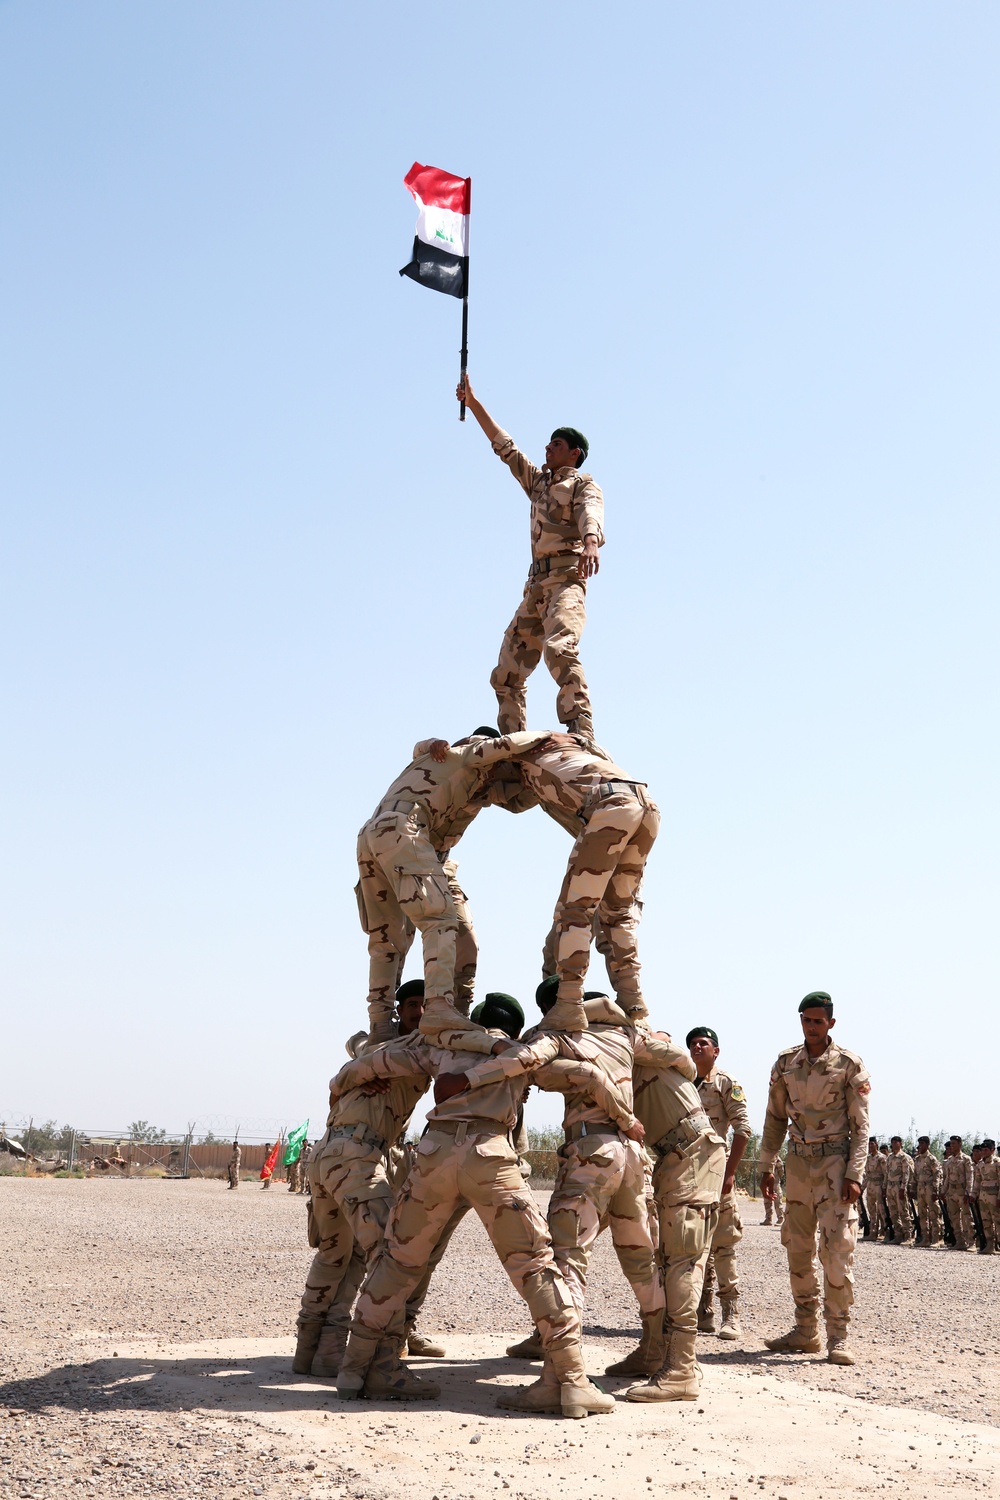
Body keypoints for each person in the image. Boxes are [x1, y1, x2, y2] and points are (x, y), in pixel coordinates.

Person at [333, 1020, 641, 1416]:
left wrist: (340, 1088)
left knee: (397, 1260)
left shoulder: (443, 1047)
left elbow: (368, 1064)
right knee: (535, 1266)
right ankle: (570, 1379)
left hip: (435, 1152)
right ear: (513, 1026)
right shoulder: (517, 1054)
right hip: (489, 1154)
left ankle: (354, 1370)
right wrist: (626, 1119)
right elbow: (588, 1074)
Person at [294, 982, 491, 1380]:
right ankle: (380, 1360)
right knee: (389, 1258)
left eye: (425, 1004)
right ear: (400, 1010)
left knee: (339, 1255)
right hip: (355, 1157)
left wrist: (353, 1076)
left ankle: (316, 1353)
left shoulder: (380, 1048)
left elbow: (349, 1074)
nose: (420, 1011)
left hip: (332, 1155)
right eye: (412, 1004)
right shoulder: (408, 1049)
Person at [504, 982, 664, 1375]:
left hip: (590, 1152)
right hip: (632, 1155)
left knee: (567, 1256)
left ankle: (563, 1369)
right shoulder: (624, 1032)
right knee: (642, 1256)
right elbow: (679, 1059)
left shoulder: (557, 1035)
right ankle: (656, 1348)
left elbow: (535, 1069)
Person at [357, 728, 550, 1043]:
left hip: (385, 839)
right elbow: (501, 746)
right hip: (403, 831)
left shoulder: (473, 783)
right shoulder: (464, 755)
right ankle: (438, 1008)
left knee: (396, 940)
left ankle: (386, 1026)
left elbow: (517, 799)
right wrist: (551, 738)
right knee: (439, 919)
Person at [457, 375, 604, 745]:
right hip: (536, 588)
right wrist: (473, 403)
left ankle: (580, 728)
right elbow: (505, 447)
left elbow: (590, 511)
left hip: (566, 579)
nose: (548, 447)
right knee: (506, 671)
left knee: (560, 648)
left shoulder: (582, 484)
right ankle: (512, 742)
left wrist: (590, 542)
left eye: (557, 444)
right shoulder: (539, 483)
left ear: (574, 453)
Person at [514, 732, 660, 1030]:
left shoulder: (519, 750)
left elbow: (485, 747)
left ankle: (567, 1002)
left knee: (575, 910)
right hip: (645, 806)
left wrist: (433, 747)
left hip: (613, 807)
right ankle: (635, 1007)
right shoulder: (582, 749)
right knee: (617, 916)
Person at [759, 992, 870, 1367]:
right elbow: (774, 1119)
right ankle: (806, 1331)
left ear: (831, 1024)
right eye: (806, 1020)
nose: (811, 1027)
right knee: (797, 1250)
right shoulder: (785, 1063)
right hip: (798, 1168)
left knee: (837, 1254)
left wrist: (854, 1175)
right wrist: (766, 1166)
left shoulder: (849, 1065)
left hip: (835, 1167)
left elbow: (861, 1126)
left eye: (818, 1021)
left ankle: (838, 1337)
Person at [623, 1026, 726, 1401]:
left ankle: (681, 1370)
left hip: (692, 1154)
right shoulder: (628, 1058)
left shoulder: (643, 1047)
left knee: (683, 1259)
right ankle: (655, 1353)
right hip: (674, 1158)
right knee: (665, 1258)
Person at [687, 1026, 751, 1341]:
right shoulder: (683, 1083)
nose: (698, 1047)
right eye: (693, 1044)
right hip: (687, 1175)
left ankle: (731, 1315)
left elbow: (743, 1130)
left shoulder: (726, 1084)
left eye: (704, 1043)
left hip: (717, 1173)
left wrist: (729, 1173)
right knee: (693, 1245)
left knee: (723, 1245)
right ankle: (704, 1311)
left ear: (716, 1050)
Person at [941, 1136, 974, 1251]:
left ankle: (971, 1242)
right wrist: (943, 1191)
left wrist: (968, 1193)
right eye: (951, 1144)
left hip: (962, 1191)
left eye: (954, 1143)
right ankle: (960, 1241)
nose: (952, 1146)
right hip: (951, 1191)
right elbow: (947, 1178)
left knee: (967, 1217)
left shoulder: (966, 1159)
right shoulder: (949, 1160)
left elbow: (970, 1177)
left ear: (960, 1144)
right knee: (954, 1217)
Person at [913, 1137, 943, 1246]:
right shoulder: (917, 1159)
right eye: (919, 1143)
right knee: (922, 1214)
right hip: (920, 1188)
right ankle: (925, 1239)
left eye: (922, 1143)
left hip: (930, 1188)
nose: (920, 1146)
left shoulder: (932, 1159)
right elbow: (915, 1175)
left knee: (933, 1214)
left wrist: (936, 1190)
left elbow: (937, 1175)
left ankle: (936, 1239)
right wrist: (913, 1188)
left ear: (927, 1145)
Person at [885, 1137, 914, 1243]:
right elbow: (887, 1173)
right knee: (893, 1212)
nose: (893, 1144)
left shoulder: (904, 1157)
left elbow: (906, 1174)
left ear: (901, 1143)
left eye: (896, 1142)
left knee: (903, 1211)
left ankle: (908, 1236)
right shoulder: (890, 1157)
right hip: (890, 1186)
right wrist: (885, 1186)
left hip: (899, 1186)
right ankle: (898, 1235)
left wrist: (903, 1188)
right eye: (892, 1142)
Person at [972, 1139, 999, 1254]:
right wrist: (974, 1195)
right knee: (986, 1221)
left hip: (994, 1197)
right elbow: (977, 1181)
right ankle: (990, 1245)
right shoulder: (980, 1164)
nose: (984, 1152)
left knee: (997, 1221)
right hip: (983, 1197)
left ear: (992, 1150)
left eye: (986, 1150)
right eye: (982, 1150)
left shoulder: (997, 1163)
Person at [861, 1138, 885, 1238]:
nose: (870, 1146)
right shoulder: (868, 1158)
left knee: (882, 1209)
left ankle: (885, 1231)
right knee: (871, 1210)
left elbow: (886, 1173)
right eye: (869, 1144)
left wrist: (884, 1187)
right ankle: (873, 1232)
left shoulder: (881, 1158)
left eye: (872, 1144)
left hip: (879, 1184)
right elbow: (867, 1174)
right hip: (870, 1184)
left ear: (876, 1145)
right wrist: (862, 1188)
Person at [762, 1155, 785, 1226]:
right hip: (766, 1181)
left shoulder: (776, 1158)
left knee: (777, 1201)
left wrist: (777, 1178)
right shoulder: (764, 1158)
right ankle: (768, 1218)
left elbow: (781, 1170)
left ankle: (780, 1219)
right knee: (767, 1200)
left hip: (775, 1182)